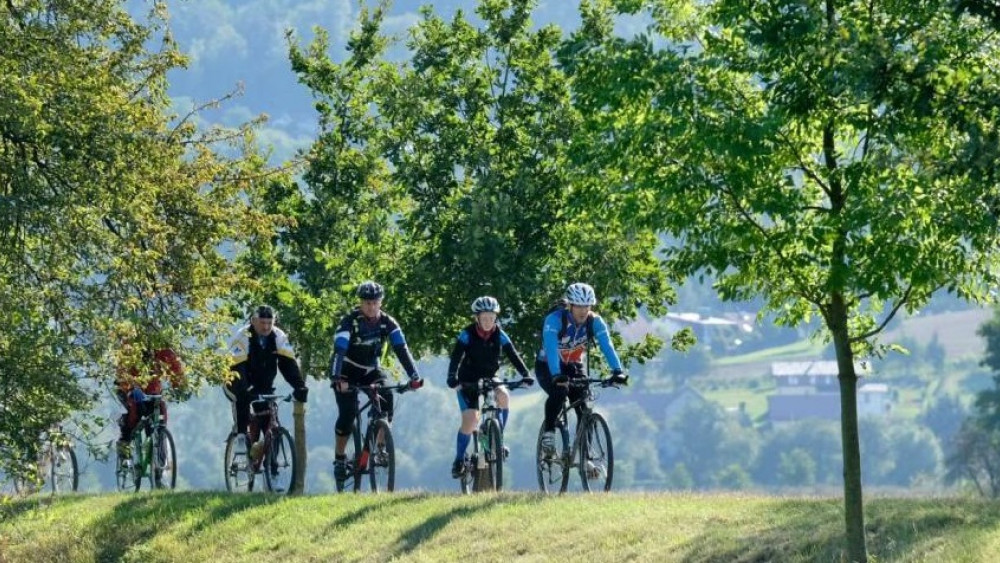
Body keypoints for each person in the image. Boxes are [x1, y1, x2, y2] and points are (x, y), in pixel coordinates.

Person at [329, 281, 423, 483]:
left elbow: (401, 349)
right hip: (346, 370)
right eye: (367, 303)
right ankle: (339, 457)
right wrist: (337, 377)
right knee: (348, 414)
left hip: (372, 369)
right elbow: (339, 350)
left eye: (375, 302)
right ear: (361, 303)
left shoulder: (388, 323)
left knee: (387, 397)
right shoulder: (349, 322)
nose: (371, 307)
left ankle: (380, 448)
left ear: (381, 302)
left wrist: (414, 376)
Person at [536, 282, 628, 457]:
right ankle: (548, 432)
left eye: (587, 306)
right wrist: (556, 374)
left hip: (573, 364)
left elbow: (607, 346)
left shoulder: (595, 322)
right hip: (548, 364)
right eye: (578, 306)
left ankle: (586, 458)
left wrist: (617, 370)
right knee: (559, 391)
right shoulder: (554, 320)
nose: (583, 310)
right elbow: (550, 348)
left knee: (584, 408)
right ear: (570, 305)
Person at [446, 296, 534, 478]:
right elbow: (456, 357)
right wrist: (452, 377)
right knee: (470, 421)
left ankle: (497, 440)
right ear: (477, 318)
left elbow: (513, 355)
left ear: (496, 318)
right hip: (468, 379)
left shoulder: (500, 334)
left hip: (489, 376)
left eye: (491, 318)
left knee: (504, 396)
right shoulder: (467, 334)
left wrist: (525, 374)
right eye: (484, 318)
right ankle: (459, 459)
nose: (488, 322)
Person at [225, 305, 309, 457]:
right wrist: (245, 390)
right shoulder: (242, 336)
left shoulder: (279, 337)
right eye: (262, 323)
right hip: (236, 380)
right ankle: (241, 438)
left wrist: (300, 387)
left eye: (269, 323)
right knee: (242, 400)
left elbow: (288, 365)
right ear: (253, 321)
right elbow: (237, 369)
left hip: (263, 385)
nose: (266, 327)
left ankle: (272, 468)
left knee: (269, 423)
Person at [115, 344, 186, 457]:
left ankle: (159, 451)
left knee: (160, 412)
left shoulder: (158, 345)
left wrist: (180, 385)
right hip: (131, 390)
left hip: (152, 392)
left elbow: (173, 363)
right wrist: (129, 388)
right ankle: (125, 443)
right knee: (135, 413)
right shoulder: (130, 345)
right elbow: (122, 370)